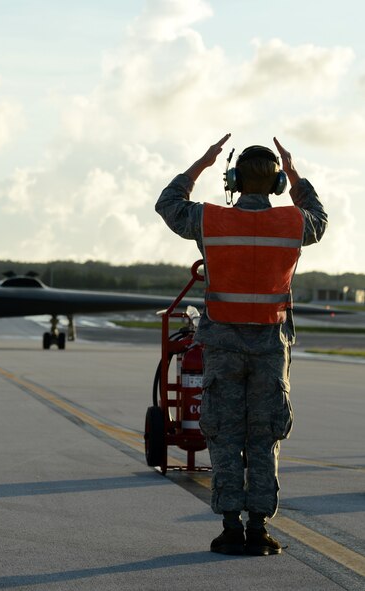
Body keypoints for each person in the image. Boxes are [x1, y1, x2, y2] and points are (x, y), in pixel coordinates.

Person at [155, 134, 327, 556]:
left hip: (223, 344)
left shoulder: (212, 219)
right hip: (270, 346)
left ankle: (230, 527)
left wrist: (201, 164)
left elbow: (168, 203)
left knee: (225, 434)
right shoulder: (293, 222)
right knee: (264, 436)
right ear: (277, 186)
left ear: (233, 181)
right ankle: (259, 528)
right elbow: (318, 216)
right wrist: (294, 173)